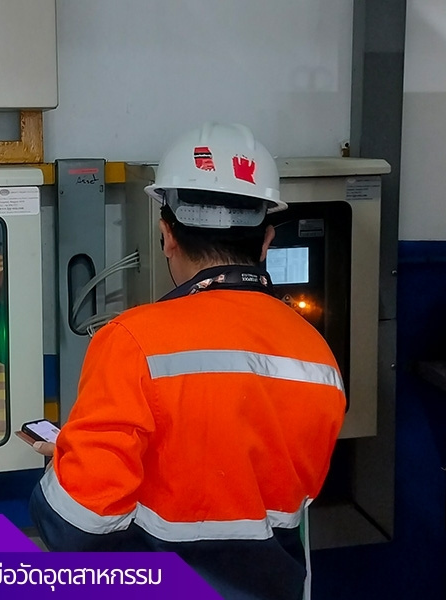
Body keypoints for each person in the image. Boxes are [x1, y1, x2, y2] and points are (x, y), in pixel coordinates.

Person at [28, 123, 346, 600]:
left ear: (167, 235)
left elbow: (75, 527)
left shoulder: (132, 342)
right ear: (266, 241)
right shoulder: (317, 357)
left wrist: (65, 460)